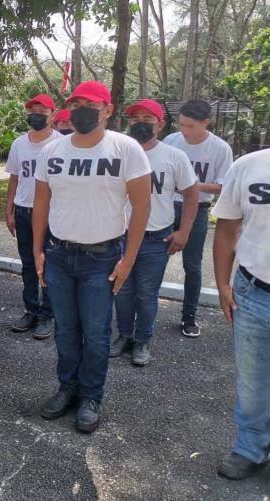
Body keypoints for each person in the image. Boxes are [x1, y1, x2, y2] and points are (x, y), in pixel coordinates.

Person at [33, 80, 151, 433]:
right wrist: (37, 250)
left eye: (90, 104)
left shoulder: (126, 149)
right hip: (58, 255)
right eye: (76, 103)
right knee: (66, 330)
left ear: (108, 110)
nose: (81, 110)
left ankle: (91, 396)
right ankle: (67, 388)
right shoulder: (52, 152)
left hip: (102, 258)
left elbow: (142, 206)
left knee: (97, 333)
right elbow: (42, 202)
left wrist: (129, 259)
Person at [111, 99, 199, 365]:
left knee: (146, 294)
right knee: (121, 289)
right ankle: (124, 335)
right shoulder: (117, 152)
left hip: (155, 237)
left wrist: (183, 231)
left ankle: (142, 340)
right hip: (120, 236)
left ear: (160, 124)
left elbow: (192, 195)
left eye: (147, 119)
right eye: (135, 119)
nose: (140, 124)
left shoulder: (174, 156)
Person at [212, 147, 270, 480]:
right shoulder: (248, 166)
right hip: (254, 291)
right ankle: (251, 447)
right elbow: (227, 228)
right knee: (252, 381)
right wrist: (222, 285)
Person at [163, 100, 233, 337]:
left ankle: (189, 316)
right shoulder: (171, 140)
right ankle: (144, 311)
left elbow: (223, 186)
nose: (184, 130)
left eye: (190, 126)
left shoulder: (220, 148)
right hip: (167, 207)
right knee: (154, 261)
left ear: (205, 122)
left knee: (192, 266)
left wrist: (190, 185)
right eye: (181, 124)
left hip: (199, 209)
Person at [5, 94, 61, 339]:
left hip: (51, 213)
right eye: (32, 110)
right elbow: (15, 178)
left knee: (48, 264)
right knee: (28, 263)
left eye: (42, 110)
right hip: (23, 210)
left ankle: (47, 314)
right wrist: (9, 210)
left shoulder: (61, 143)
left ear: (53, 114)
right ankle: (31, 309)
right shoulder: (19, 144)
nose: (36, 114)